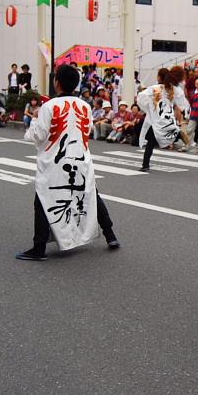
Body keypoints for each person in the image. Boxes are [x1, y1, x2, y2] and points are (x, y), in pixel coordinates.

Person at [17, 64, 120, 260]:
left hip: (56, 163)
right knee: (90, 194)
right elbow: (87, 130)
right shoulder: (85, 106)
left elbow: (38, 135)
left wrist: (35, 119)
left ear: (57, 82)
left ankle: (39, 247)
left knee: (43, 199)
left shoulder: (48, 107)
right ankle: (110, 235)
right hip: (81, 159)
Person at [138, 66, 189, 172]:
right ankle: (177, 134)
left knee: (151, 142)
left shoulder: (155, 88)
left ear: (160, 77)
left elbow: (141, 97)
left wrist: (147, 104)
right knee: (161, 136)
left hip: (157, 118)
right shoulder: (175, 89)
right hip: (168, 118)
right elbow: (182, 103)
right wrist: (185, 113)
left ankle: (145, 165)